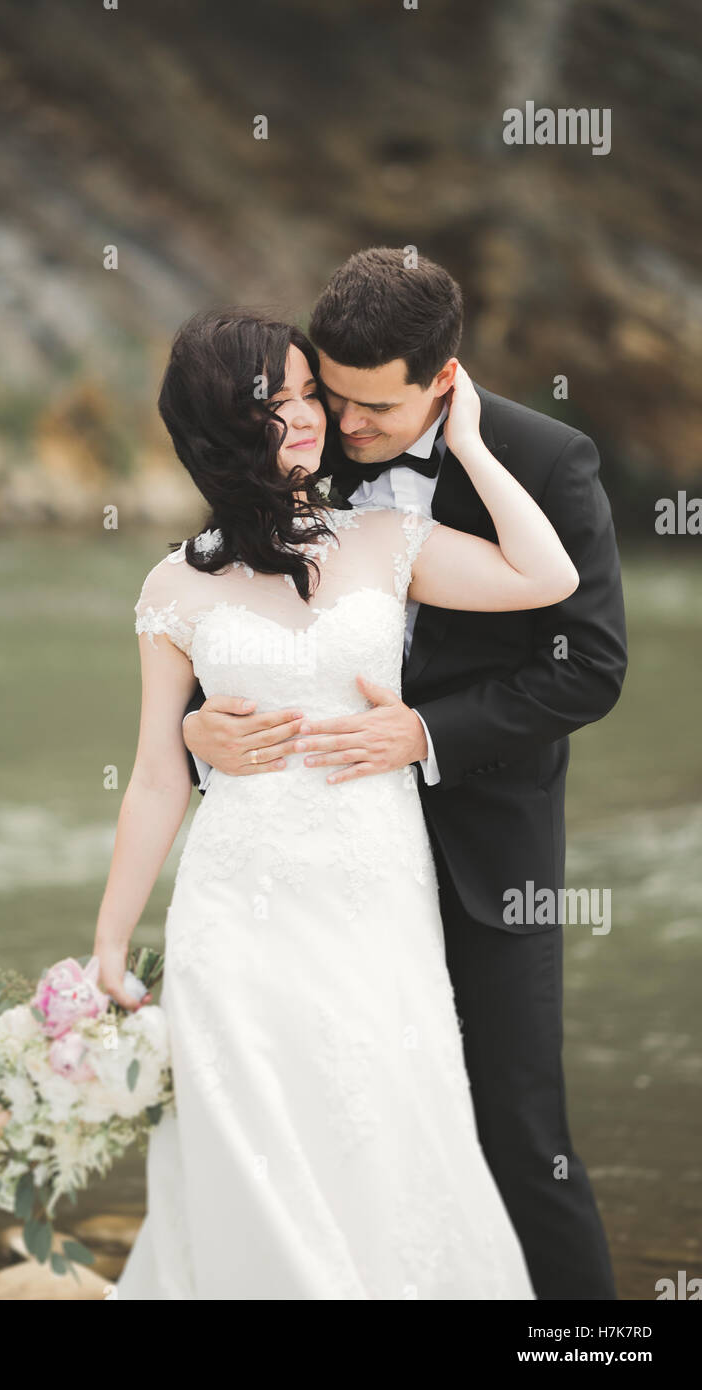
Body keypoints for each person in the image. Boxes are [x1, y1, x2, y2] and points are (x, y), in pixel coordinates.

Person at [93, 289, 586, 1299]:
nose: (314, 416)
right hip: (236, 904)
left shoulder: (375, 541)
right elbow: (155, 773)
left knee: (386, 1122)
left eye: (311, 391)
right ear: (224, 422)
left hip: (373, 897)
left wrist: (475, 449)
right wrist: (110, 936)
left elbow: (545, 578)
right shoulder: (173, 589)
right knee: (251, 1144)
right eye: (281, 399)